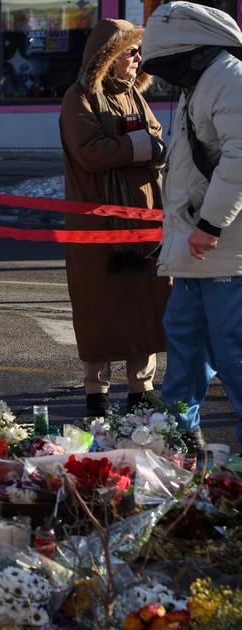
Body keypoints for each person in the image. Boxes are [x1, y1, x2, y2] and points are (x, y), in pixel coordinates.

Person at [140, 1, 242, 447]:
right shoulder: (203, 82)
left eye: (168, 63)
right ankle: (178, 440)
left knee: (232, 351)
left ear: (190, 50)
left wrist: (211, 224)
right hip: (197, 246)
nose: (165, 74)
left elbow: (239, 161)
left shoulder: (228, 80)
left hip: (223, 249)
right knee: (184, 344)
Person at [59, 18, 170, 418]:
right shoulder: (79, 98)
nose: (138, 58)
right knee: (99, 308)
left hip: (143, 220)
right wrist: (141, 145)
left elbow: (159, 139)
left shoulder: (135, 96)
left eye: (138, 51)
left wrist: (144, 144)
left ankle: (142, 387)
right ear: (107, 57)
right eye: (129, 51)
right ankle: (96, 392)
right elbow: (90, 151)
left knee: (145, 303)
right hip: (97, 226)